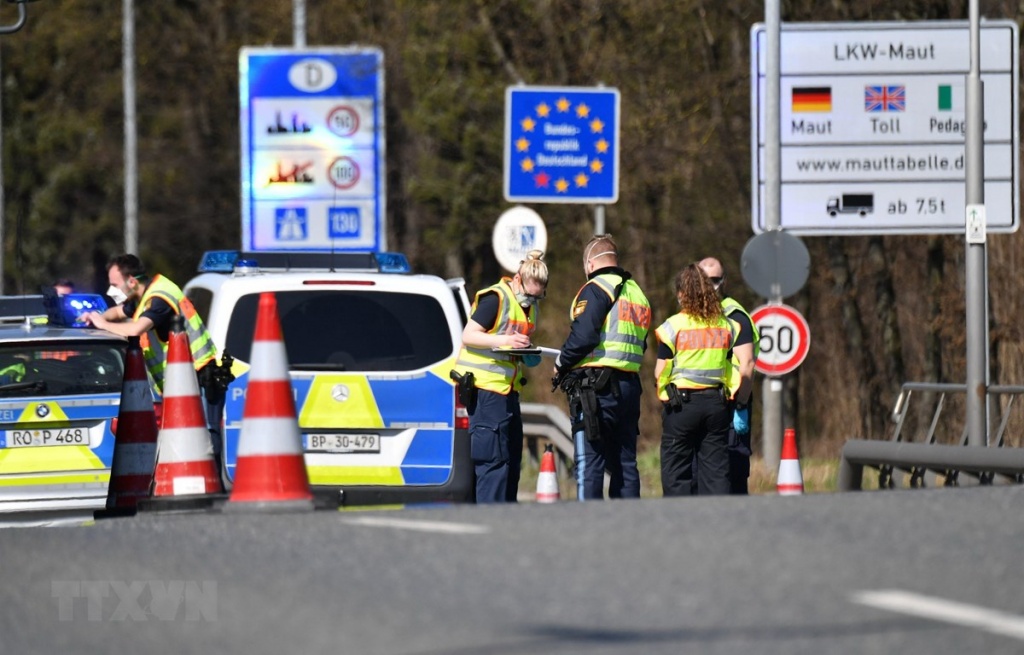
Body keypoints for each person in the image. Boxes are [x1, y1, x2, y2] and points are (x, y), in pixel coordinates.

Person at [83, 254, 227, 463]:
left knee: (204, 439)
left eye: (115, 284)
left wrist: (102, 325)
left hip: (200, 376)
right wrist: (97, 317)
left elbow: (136, 329)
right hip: (184, 381)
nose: (111, 290)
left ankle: (210, 487)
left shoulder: (159, 300)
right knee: (188, 439)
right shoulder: (144, 297)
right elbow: (118, 312)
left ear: (132, 281)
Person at [553, 234, 651, 501]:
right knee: (625, 464)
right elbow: (641, 344)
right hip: (629, 387)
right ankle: (626, 526)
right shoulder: (638, 293)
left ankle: (589, 527)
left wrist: (561, 363)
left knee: (590, 462)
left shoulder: (597, 287)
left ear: (590, 263)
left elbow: (584, 337)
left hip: (596, 389)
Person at [452, 250, 549, 503]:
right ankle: (490, 523)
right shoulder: (496, 299)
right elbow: (469, 335)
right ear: (518, 279)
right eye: (529, 294)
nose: (532, 300)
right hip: (485, 393)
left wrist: (527, 352)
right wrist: (505, 340)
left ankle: (505, 521)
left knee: (509, 465)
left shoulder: (529, 308)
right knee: (493, 466)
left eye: (538, 297)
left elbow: (511, 348)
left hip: (507, 393)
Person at [655, 263, 741, 496]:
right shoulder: (726, 325)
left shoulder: (673, 326)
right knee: (716, 471)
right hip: (716, 404)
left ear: (682, 294)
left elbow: (659, 370)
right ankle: (716, 522)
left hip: (681, 406)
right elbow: (734, 364)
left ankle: (681, 524)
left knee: (676, 472)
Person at [698, 257, 758, 494]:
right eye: (705, 280)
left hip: (732, 402)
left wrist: (741, 405)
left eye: (716, 280)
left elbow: (747, 365)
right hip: (702, 401)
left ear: (724, 281)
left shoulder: (735, 315)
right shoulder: (692, 317)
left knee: (732, 473)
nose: (711, 286)